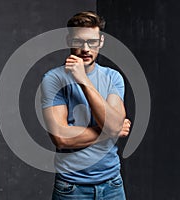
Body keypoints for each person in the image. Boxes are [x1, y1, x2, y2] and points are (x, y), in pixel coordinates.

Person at [41, 11, 131, 200]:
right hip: (71, 188)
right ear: (68, 41)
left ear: (101, 41)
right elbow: (61, 139)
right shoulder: (53, 79)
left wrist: (84, 81)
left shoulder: (113, 77)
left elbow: (114, 124)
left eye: (92, 42)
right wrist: (110, 132)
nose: (85, 48)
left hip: (112, 185)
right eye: (79, 41)